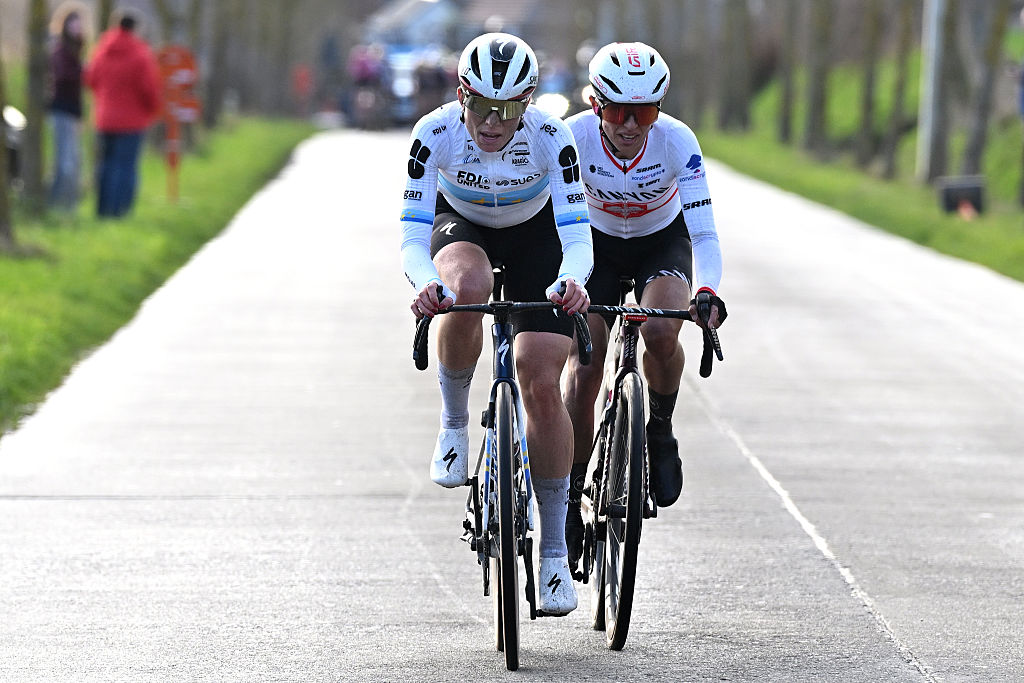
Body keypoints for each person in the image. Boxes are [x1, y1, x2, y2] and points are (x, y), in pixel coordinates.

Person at [400, 33, 593, 615]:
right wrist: (424, 284)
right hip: (461, 225)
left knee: (539, 381)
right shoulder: (433, 134)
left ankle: (555, 553)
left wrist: (573, 280)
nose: (491, 121)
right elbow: (411, 236)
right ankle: (455, 425)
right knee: (469, 288)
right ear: (461, 93)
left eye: (508, 109)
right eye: (480, 104)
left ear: (529, 101)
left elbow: (578, 234)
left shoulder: (551, 137)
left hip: (538, 236)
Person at [562, 42, 727, 566]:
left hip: (661, 239)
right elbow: (549, 217)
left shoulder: (677, 141)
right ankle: (567, 491)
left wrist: (708, 293)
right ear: (595, 105)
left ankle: (659, 425)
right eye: (618, 111)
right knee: (585, 365)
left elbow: (703, 232)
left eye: (646, 111)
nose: (632, 125)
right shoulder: (572, 138)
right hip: (596, 244)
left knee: (662, 331)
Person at [84, 9, 160, 218]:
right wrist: (153, 110)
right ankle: (120, 212)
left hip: (104, 119)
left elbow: (90, 79)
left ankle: (102, 210)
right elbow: (149, 89)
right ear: (135, 29)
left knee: (105, 165)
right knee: (125, 167)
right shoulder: (140, 53)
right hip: (132, 122)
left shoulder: (101, 49)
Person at [47, 2, 87, 211]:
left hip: (72, 111)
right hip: (61, 110)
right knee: (65, 164)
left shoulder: (77, 49)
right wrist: (82, 72)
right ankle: (57, 206)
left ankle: (68, 208)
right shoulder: (61, 49)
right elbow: (62, 77)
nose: (77, 28)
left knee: (74, 162)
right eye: (74, 24)